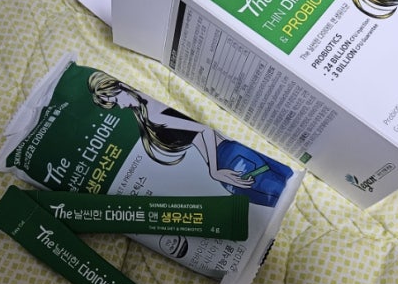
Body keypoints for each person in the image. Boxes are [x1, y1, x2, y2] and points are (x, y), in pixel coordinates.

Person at [88, 71, 292, 207]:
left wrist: (214, 171)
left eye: (116, 99)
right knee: (278, 194)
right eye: (113, 103)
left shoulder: (153, 115)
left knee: (278, 196)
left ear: (122, 87)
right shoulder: (147, 111)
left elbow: (204, 131)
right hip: (228, 158)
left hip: (228, 161)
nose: (120, 105)